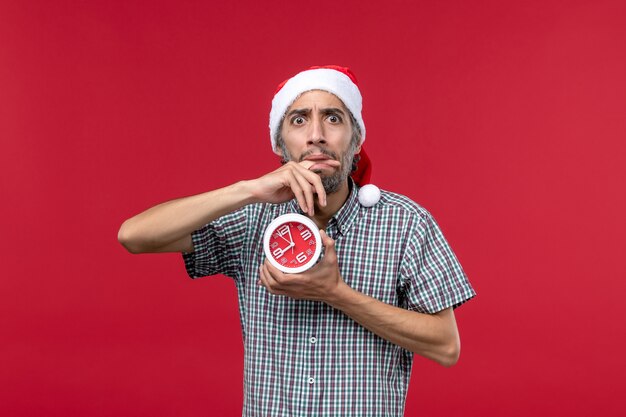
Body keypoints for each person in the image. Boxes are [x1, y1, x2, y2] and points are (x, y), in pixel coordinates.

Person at [118, 65, 476, 417]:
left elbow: (446, 346)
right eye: (299, 119)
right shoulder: (251, 217)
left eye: (334, 118)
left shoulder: (406, 222)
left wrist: (335, 293)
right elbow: (134, 236)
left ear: (356, 139)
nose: (316, 135)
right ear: (280, 142)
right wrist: (248, 189)